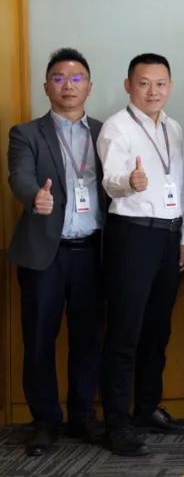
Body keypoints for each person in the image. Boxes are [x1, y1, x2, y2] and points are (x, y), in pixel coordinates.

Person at [8, 49, 105, 456]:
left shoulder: (105, 132)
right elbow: (19, 176)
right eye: (59, 78)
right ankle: (45, 421)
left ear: (89, 86)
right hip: (44, 254)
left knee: (88, 338)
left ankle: (82, 416)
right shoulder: (25, 133)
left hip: (92, 253)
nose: (68, 85)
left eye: (77, 78)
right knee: (39, 339)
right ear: (46, 86)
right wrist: (35, 197)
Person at [97, 53, 184, 456]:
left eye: (160, 83)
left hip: (169, 237)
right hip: (133, 234)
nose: (153, 91)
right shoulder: (117, 127)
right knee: (125, 330)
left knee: (158, 328)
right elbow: (110, 180)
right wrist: (130, 181)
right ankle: (117, 423)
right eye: (143, 83)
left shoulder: (173, 126)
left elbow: (182, 184)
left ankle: (147, 408)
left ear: (169, 86)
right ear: (128, 85)